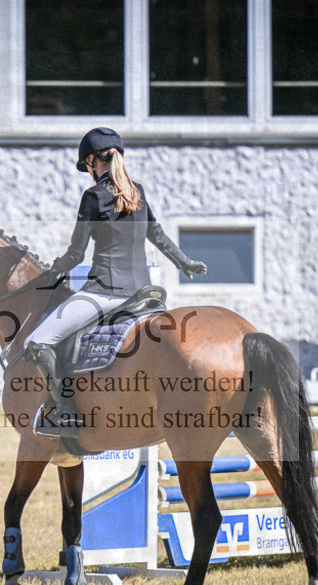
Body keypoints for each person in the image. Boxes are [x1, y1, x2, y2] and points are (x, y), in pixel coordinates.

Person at [24, 127, 208, 437]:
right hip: (143, 293)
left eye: (88, 165)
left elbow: (76, 254)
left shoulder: (93, 196)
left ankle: (66, 412)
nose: (88, 171)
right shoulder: (137, 191)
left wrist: (47, 275)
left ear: (92, 161)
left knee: (37, 342)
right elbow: (158, 235)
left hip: (105, 293)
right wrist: (184, 262)